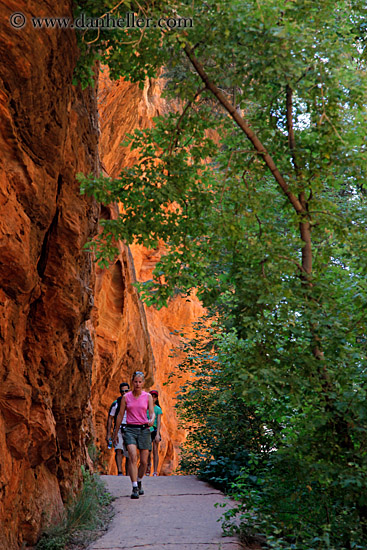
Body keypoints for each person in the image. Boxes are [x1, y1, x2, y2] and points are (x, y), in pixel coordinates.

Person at [113, 371, 155, 499]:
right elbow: (120, 415)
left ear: (143, 383)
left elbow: (152, 413)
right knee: (132, 456)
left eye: (140, 382)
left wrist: (152, 420)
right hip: (130, 429)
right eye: (135, 382)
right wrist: (115, 432)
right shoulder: (126, 397)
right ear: (132, 382)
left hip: (144, 429)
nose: (137, 384)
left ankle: (140, 479)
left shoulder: (147, 397)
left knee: (143, 462)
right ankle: (135, 486)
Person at [106, 382, 130, 476]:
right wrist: (109, 434)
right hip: (119, 428)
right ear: (120, 392)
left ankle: (129, 473)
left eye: (126, 391)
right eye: (122, 391)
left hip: (130, 428)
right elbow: (110, 418)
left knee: (129, 452)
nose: (124, 393)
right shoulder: (116, 403)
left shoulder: (132, 402)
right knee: (119, 449)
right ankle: (120, 471)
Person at [146, 390, 163, 477]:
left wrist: (158, 434)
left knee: (155, 451)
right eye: (151, 396)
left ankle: (155, 471)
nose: (153, 398)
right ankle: (148, 468)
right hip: (147, 430)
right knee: (148, 451)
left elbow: (159, 422)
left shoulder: (158, 409)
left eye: (154, 397)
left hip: (155, 430)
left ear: (156, 398)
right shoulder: (145, 408)